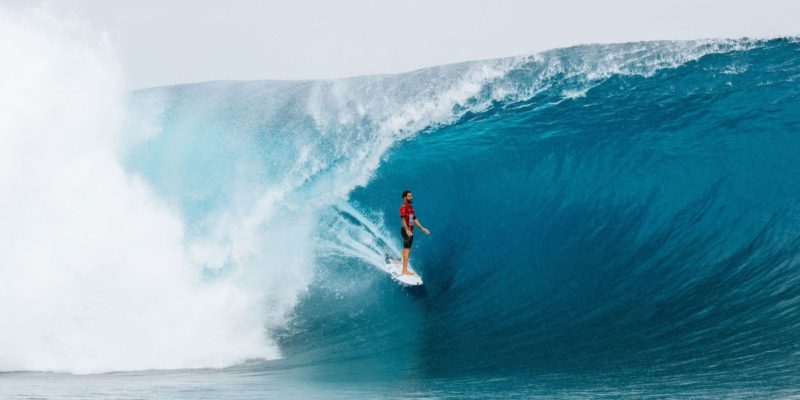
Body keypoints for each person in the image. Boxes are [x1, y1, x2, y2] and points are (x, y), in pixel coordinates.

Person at [399, 190, 430, 276]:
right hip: (406, 231)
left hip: (410, 231)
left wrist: (422, 228)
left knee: (406, 248)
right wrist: (407, 230)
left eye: (411, 196)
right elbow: (403, 220)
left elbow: (414, 219)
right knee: (407, 250)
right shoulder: (403, 207)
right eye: (409, 196)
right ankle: (404, 270)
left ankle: (399, 259)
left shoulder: (410, 207)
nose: (411, 197)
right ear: (405, 197)